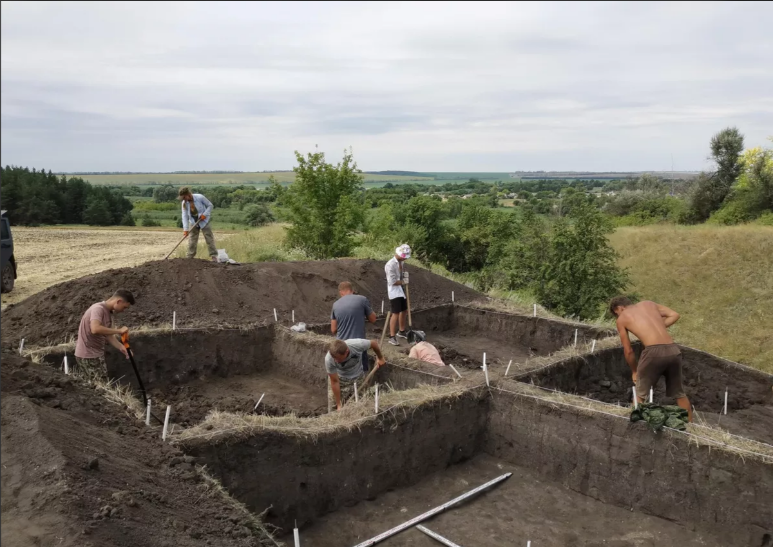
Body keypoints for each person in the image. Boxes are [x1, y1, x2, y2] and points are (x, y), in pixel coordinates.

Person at [609, 296, 692, 422]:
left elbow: (628, 351)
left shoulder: (622, 319)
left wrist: (634, 371)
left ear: (619, 308)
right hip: (673, 350)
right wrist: (658, 327)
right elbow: (674, 315)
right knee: (679, 394)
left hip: (653, 352)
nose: (618, 316)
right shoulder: (649, 304)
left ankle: (633, 425)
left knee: (640, 393)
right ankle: (691, 427)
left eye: (617, 313)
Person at [74, 289, 135, 382]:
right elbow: (95, 329)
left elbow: (109, 335)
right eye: (124, 307)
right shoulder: (98, 309)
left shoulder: (109, 313)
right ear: (119, 301)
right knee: (99, 387)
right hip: (88, 355)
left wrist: (123, 348)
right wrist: (119, 331)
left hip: (97, 354)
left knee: (101, 384)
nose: (124, 310)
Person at [325, 339, 386, 411]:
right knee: (334, 408)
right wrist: (338, 405)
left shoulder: (357, 345)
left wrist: (380, 357)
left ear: (346, 352)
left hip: (357, 378)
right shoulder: (329, 359)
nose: (336, 361)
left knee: (359, 405)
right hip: (340, 379)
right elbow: (335, 381)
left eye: (338, 359)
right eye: (334, 358)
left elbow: (373, 343)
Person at [331, 281, 377, 372]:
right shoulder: (362, 300)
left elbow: (333, 329)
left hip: (342, 346)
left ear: (341, 292)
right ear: (352, 290)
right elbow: (373, 319)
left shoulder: (335, 305)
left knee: (344, 373)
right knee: (361, 372)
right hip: (358, 344)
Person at [179, 187, 217, 261]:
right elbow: (184, 216)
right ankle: (190, 257)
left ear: (188, 194)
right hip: (193, 222)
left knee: (209, 238)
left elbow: (210, 205)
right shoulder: (184, 203)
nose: (184, 199)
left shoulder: (200, 197)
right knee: (192, 240)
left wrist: (205, 214)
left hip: (204, 221)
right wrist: (185, 229)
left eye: (184, 197)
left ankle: (214, 256)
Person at [385, 244, 411, 346]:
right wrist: (403, 281)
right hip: (394, 292)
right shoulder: (390, 265)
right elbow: (392, 281)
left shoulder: (401, 262)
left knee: (404, 310)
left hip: (401, 290)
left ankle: (401, 331)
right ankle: (392, 337)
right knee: (395, 313)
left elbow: (400, 276)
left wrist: (404, 276)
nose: (405, 259)